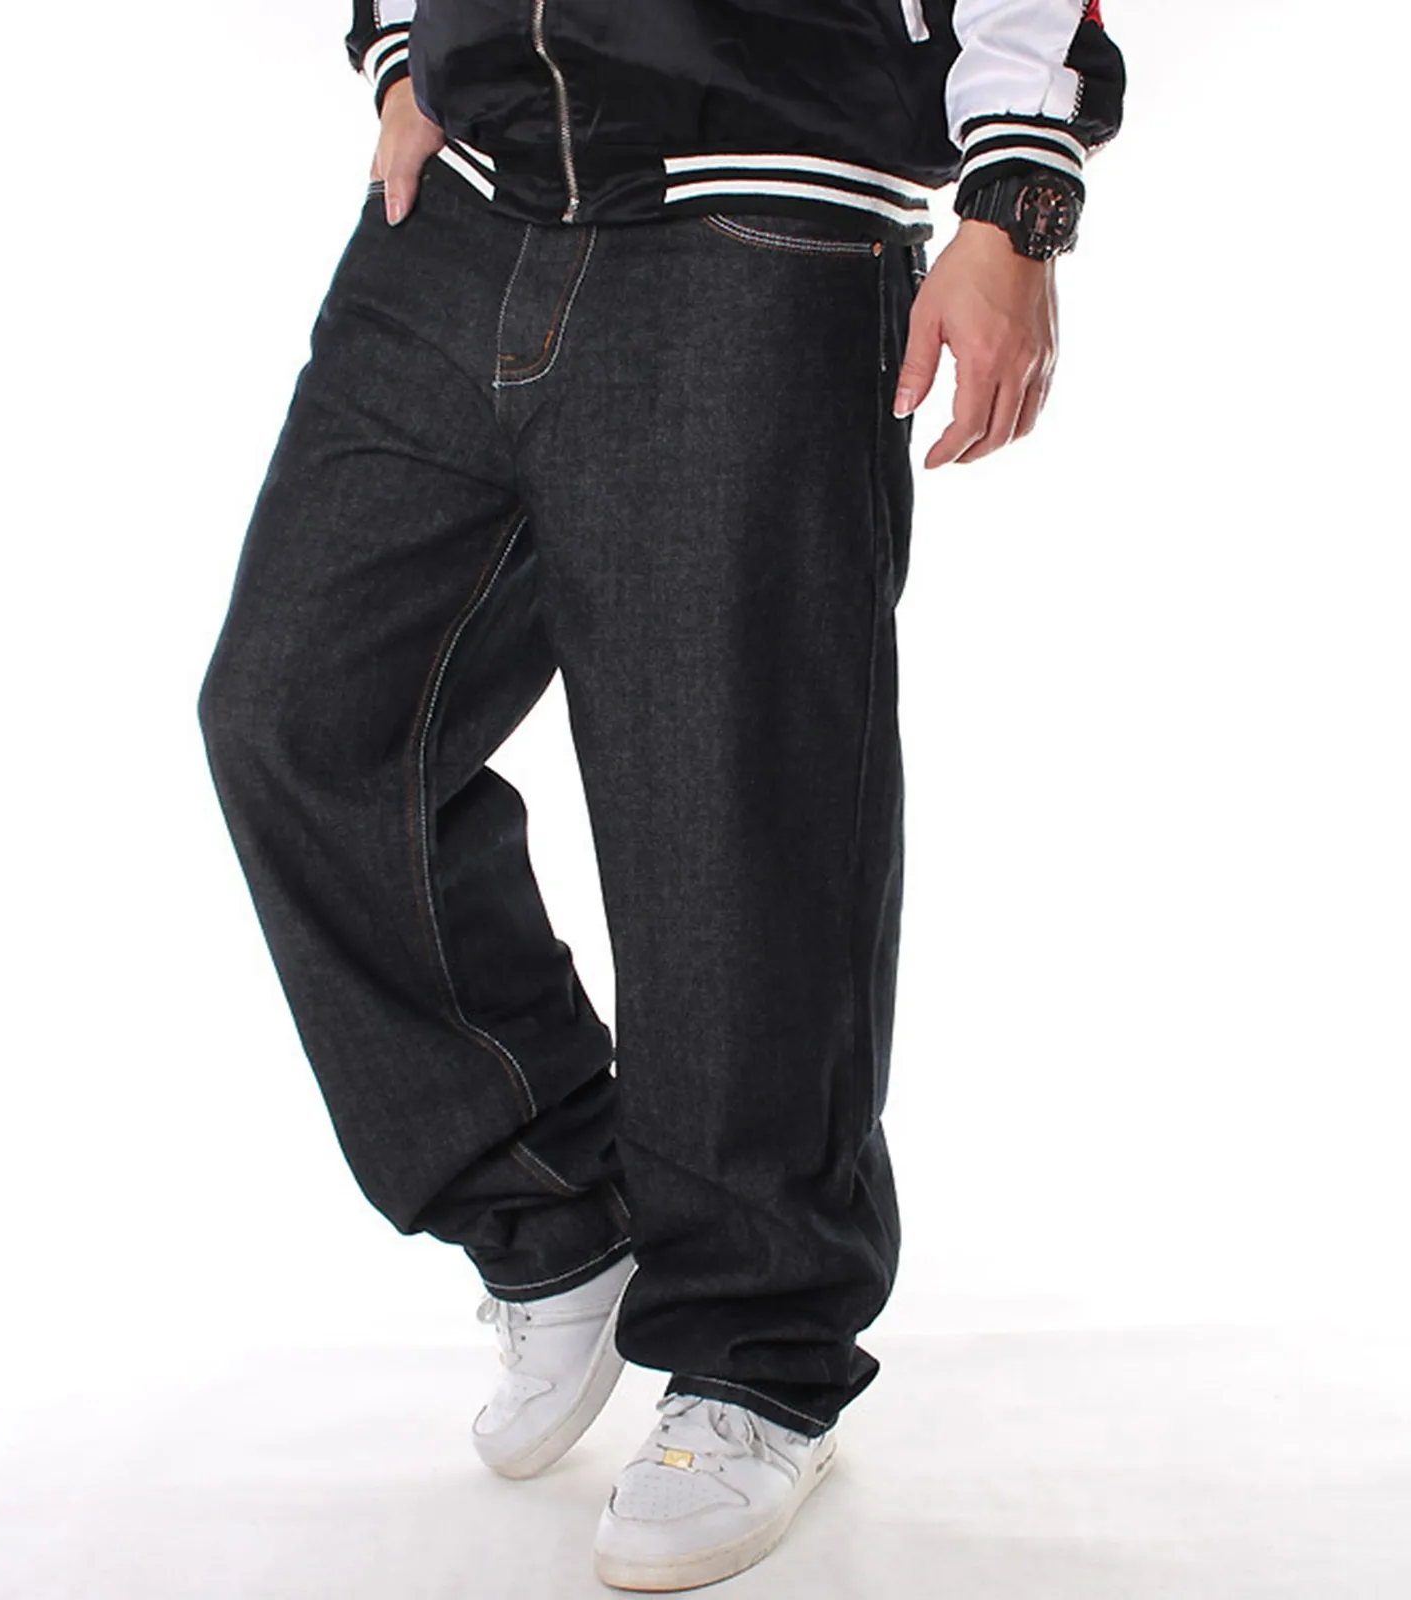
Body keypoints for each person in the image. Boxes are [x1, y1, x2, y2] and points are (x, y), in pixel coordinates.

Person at [197, 1, 1126, 1589]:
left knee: (729, 821)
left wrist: (1015, 201)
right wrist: (405, 47)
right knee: (300, 722)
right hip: (466, 209)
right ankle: (557, 1217)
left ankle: (763, 1354)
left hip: (760, 214)